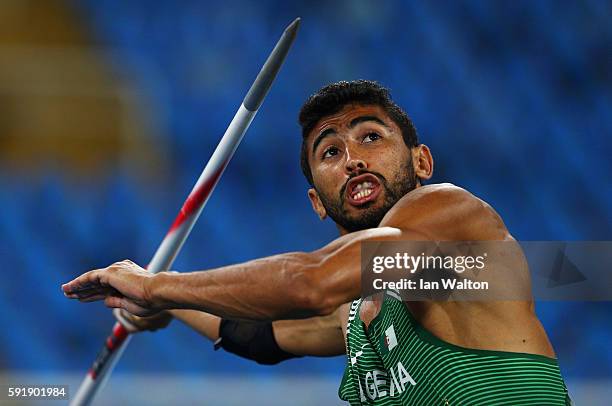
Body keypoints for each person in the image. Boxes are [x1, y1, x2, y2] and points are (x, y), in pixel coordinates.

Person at [63, 80, 571, 405]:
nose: (352, 158)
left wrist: (158, 287)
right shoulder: (366, 308)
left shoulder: (455, 220)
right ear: (317, 202)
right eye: (330, 151)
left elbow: (311, 283)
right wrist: (165, 303)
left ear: (421, 163)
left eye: (371, 137)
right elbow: (258, 336)